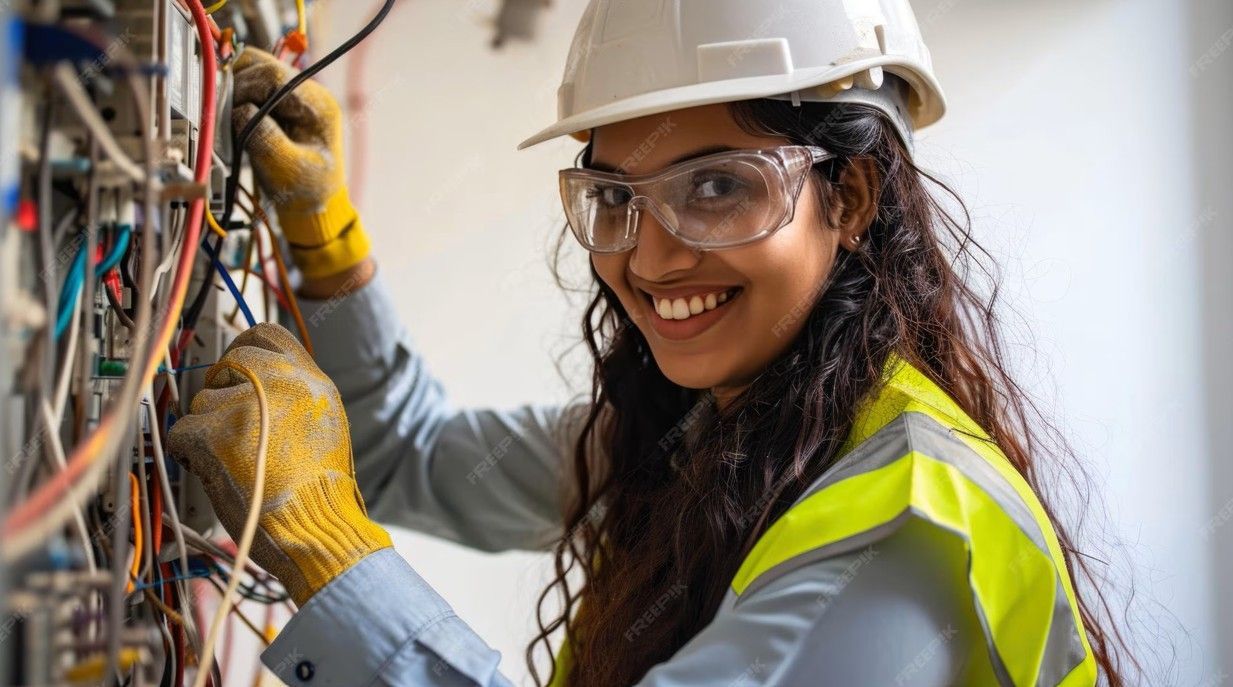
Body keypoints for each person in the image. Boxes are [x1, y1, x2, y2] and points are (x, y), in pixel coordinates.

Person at [167, 1, 1130, 684]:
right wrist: (325, 242)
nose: (653, 256)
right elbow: (404, 456)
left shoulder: (907, 527)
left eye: (717, 185)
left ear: (849, 197)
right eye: (615, 197)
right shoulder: (710, 440)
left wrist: (329, 553)